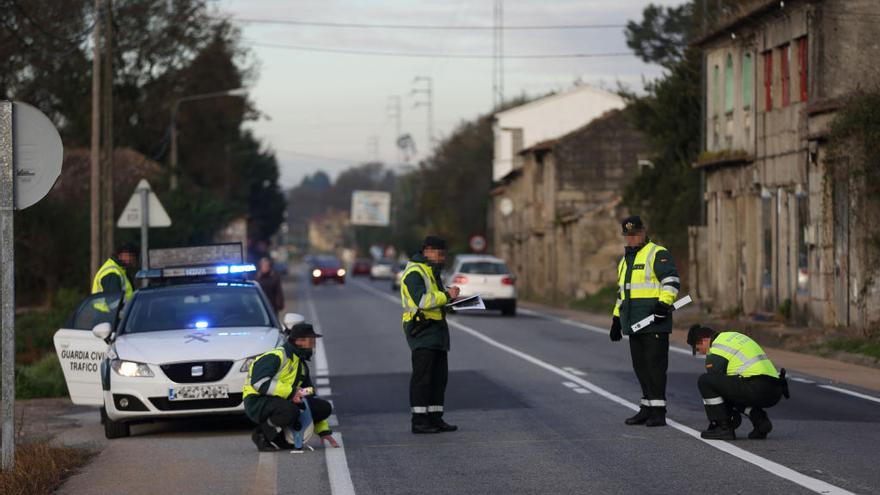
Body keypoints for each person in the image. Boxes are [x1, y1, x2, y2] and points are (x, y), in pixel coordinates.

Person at [609, 216, 680, 427]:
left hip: (655, 323)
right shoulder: (625, 261)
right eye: (628, 235)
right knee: (640, 367)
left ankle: (659, 411)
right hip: (634, 325)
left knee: (655, 368)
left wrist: (663, 304)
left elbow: (671, 281)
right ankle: (647, 407)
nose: (632, 238)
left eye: (635, 234)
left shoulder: (657, 253)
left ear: (643, 232)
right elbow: (622, 294)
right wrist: (615, 319)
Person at [242, 322, 339, 451]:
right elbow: (259, 383)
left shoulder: (301, 364)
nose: (313, 346)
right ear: (298, 341)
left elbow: (309, 394)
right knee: (289, 411)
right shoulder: (276, 356)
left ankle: (281, 438)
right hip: (257, 400)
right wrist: (292, 393)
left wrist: (323, 431)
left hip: (281, 399)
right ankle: (262, 434)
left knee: (323, 407)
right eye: (310, 341)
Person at [400, 235, 460, 434]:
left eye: (444, 254)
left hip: (437, 331)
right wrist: (446, 296)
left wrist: (452, 303)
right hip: (421, 331)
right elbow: (422, 301)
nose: (442, 258)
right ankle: (419, 420)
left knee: (438, 378)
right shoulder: (415, 272)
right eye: (439, 254)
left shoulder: (431, 271)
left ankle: (435, 417)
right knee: (423, 378)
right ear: (427, 251)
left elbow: (438, 299)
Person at [687, 324, 790, 440]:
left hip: (755, 386)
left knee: (705, 381)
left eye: (697, 348)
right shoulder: (733, 337)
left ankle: (723, 428)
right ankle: (760, 422)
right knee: (735, 389)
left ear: (704, 340)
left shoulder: (717, 349)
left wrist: (721, 418)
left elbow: (717, 387)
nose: (700, 353)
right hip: (775, 390)